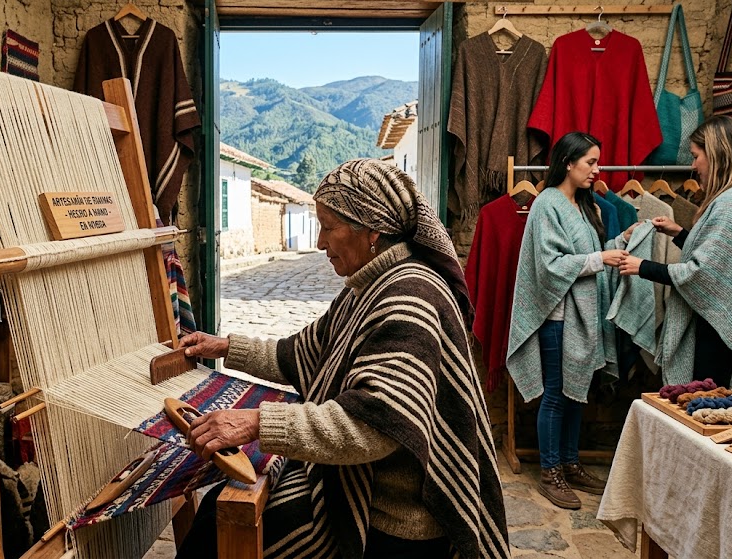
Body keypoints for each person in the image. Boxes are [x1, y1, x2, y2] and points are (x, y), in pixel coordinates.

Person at [176, 159, 510, 559]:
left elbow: (374, 424)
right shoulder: (367, 287)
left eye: (328, 227)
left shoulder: (409, 298)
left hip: (395, 519)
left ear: (371, 230)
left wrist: (256, 422)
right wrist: (225, 347)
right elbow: (300, 354)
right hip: (366, 488)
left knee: (221, 529)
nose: (319, 243)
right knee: (216, 515)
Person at [506, 132, 632, 511]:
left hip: (584, 315)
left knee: (578, 395)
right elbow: (549, 266)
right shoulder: (547, 203)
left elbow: (588, 253)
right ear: (568, 162)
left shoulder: (585, 204)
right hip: (558, 316)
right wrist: (600, 260)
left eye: (597, 162)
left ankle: (571, 462)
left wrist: (622, 240)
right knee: (558, 395)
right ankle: (550, 472)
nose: (597, 170)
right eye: (590, 162)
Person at [617, 116, 732, 387]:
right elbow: (724, 262)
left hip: (721, 333)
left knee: (707, 409)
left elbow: (703, 274)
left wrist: (643, 267)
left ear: (718, 155)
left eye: (696, 156)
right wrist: (681, 234)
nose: (693, 165)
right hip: (722, 323)